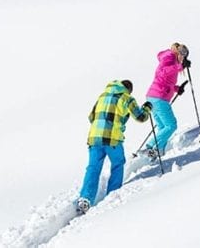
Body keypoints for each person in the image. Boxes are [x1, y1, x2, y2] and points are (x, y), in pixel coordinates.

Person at [77, 79, 151, 214]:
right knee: (118, 163)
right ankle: (112, 194)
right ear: (128, 90)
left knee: (93, 167)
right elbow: (140, 117)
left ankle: (85, 199)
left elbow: (91, 117)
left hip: (94, 137)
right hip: (112, 139)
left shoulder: (103, 96)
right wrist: (147, 108)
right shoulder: (127, 98)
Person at [142, 42, 190, 159]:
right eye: (183, 56)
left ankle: (158, 150)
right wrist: (180, 67)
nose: (183, 59)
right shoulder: (169, 57)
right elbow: (162, 73)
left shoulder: (171, 59)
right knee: (171, 125)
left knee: (163, 127)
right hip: (159, 97)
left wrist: (177, 89)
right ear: (179, 53)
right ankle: (149, 147)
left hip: (155, 96)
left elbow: (165, 81)